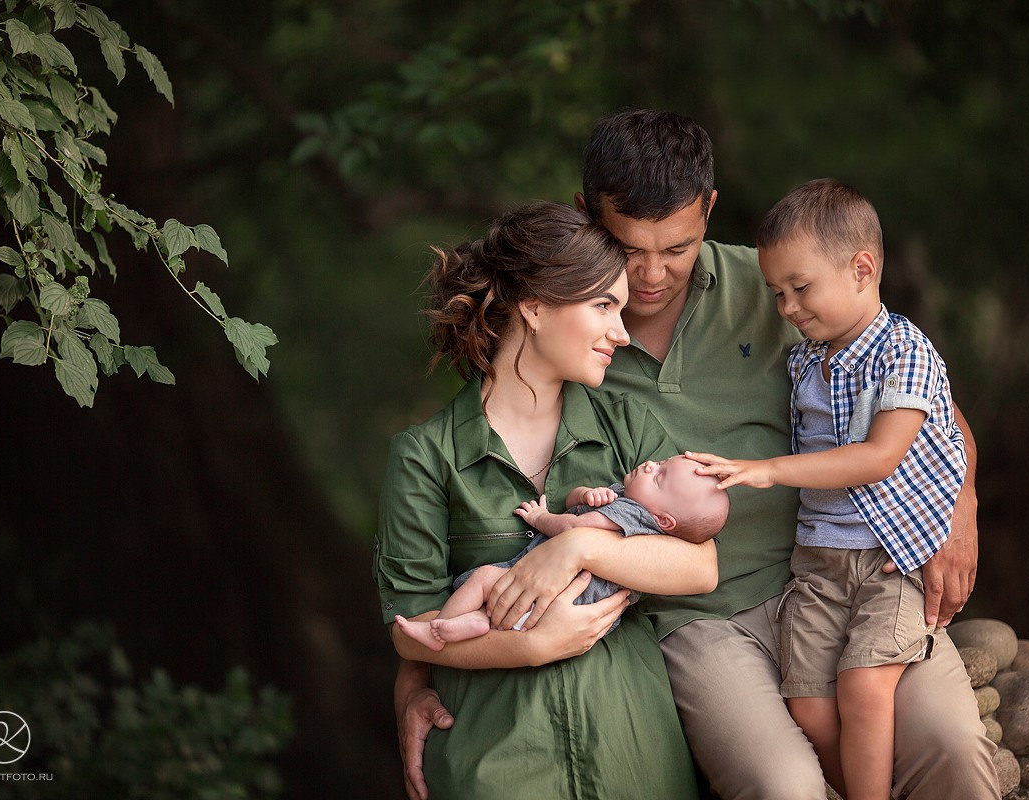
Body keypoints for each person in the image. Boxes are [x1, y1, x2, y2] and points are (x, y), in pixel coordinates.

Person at [397, 110, 998, 800]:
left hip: (833, 577)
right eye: (629, 248)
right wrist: (415, 681)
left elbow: (919, 393)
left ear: (709, 210)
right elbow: (465, 514)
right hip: (693, 622)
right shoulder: (563, 339)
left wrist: (960, 503)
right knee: (785, 787)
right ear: (585, 213)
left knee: (952, 749)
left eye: (677, 248)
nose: (652, 275)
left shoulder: (779, 286)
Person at [376, 200, 717, 799]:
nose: (622, 329)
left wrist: (580, 546)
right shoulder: (425, 457)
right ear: (534, 308)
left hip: (634, 754)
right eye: (603, 306)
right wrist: (530, 645)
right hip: (497, 764)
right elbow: (411, 630)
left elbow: (700, 564)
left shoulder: (628, 427)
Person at [688, 178, 967, 800]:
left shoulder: (906, 352)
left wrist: (767, 469)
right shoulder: (806, 360)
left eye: (800, 289)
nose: (785, 308)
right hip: (817, 565)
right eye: (776, 293)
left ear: (863, 269)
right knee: (808, 705)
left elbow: (879, 457)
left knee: (865, 688)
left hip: (890, 563)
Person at [395, 454, 730, 651]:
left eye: (659, 477)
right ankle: (471, 624)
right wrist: (585, 493)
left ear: (663, 520)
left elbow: (573, 529)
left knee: (485, 580)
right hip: (566, 604)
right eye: (659, 463)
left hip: (565, 598)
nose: (648, 466)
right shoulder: (630, 500)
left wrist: (541, 518)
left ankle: (439, 628)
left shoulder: (634, 515)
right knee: (499, 606)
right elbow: (576, 506)